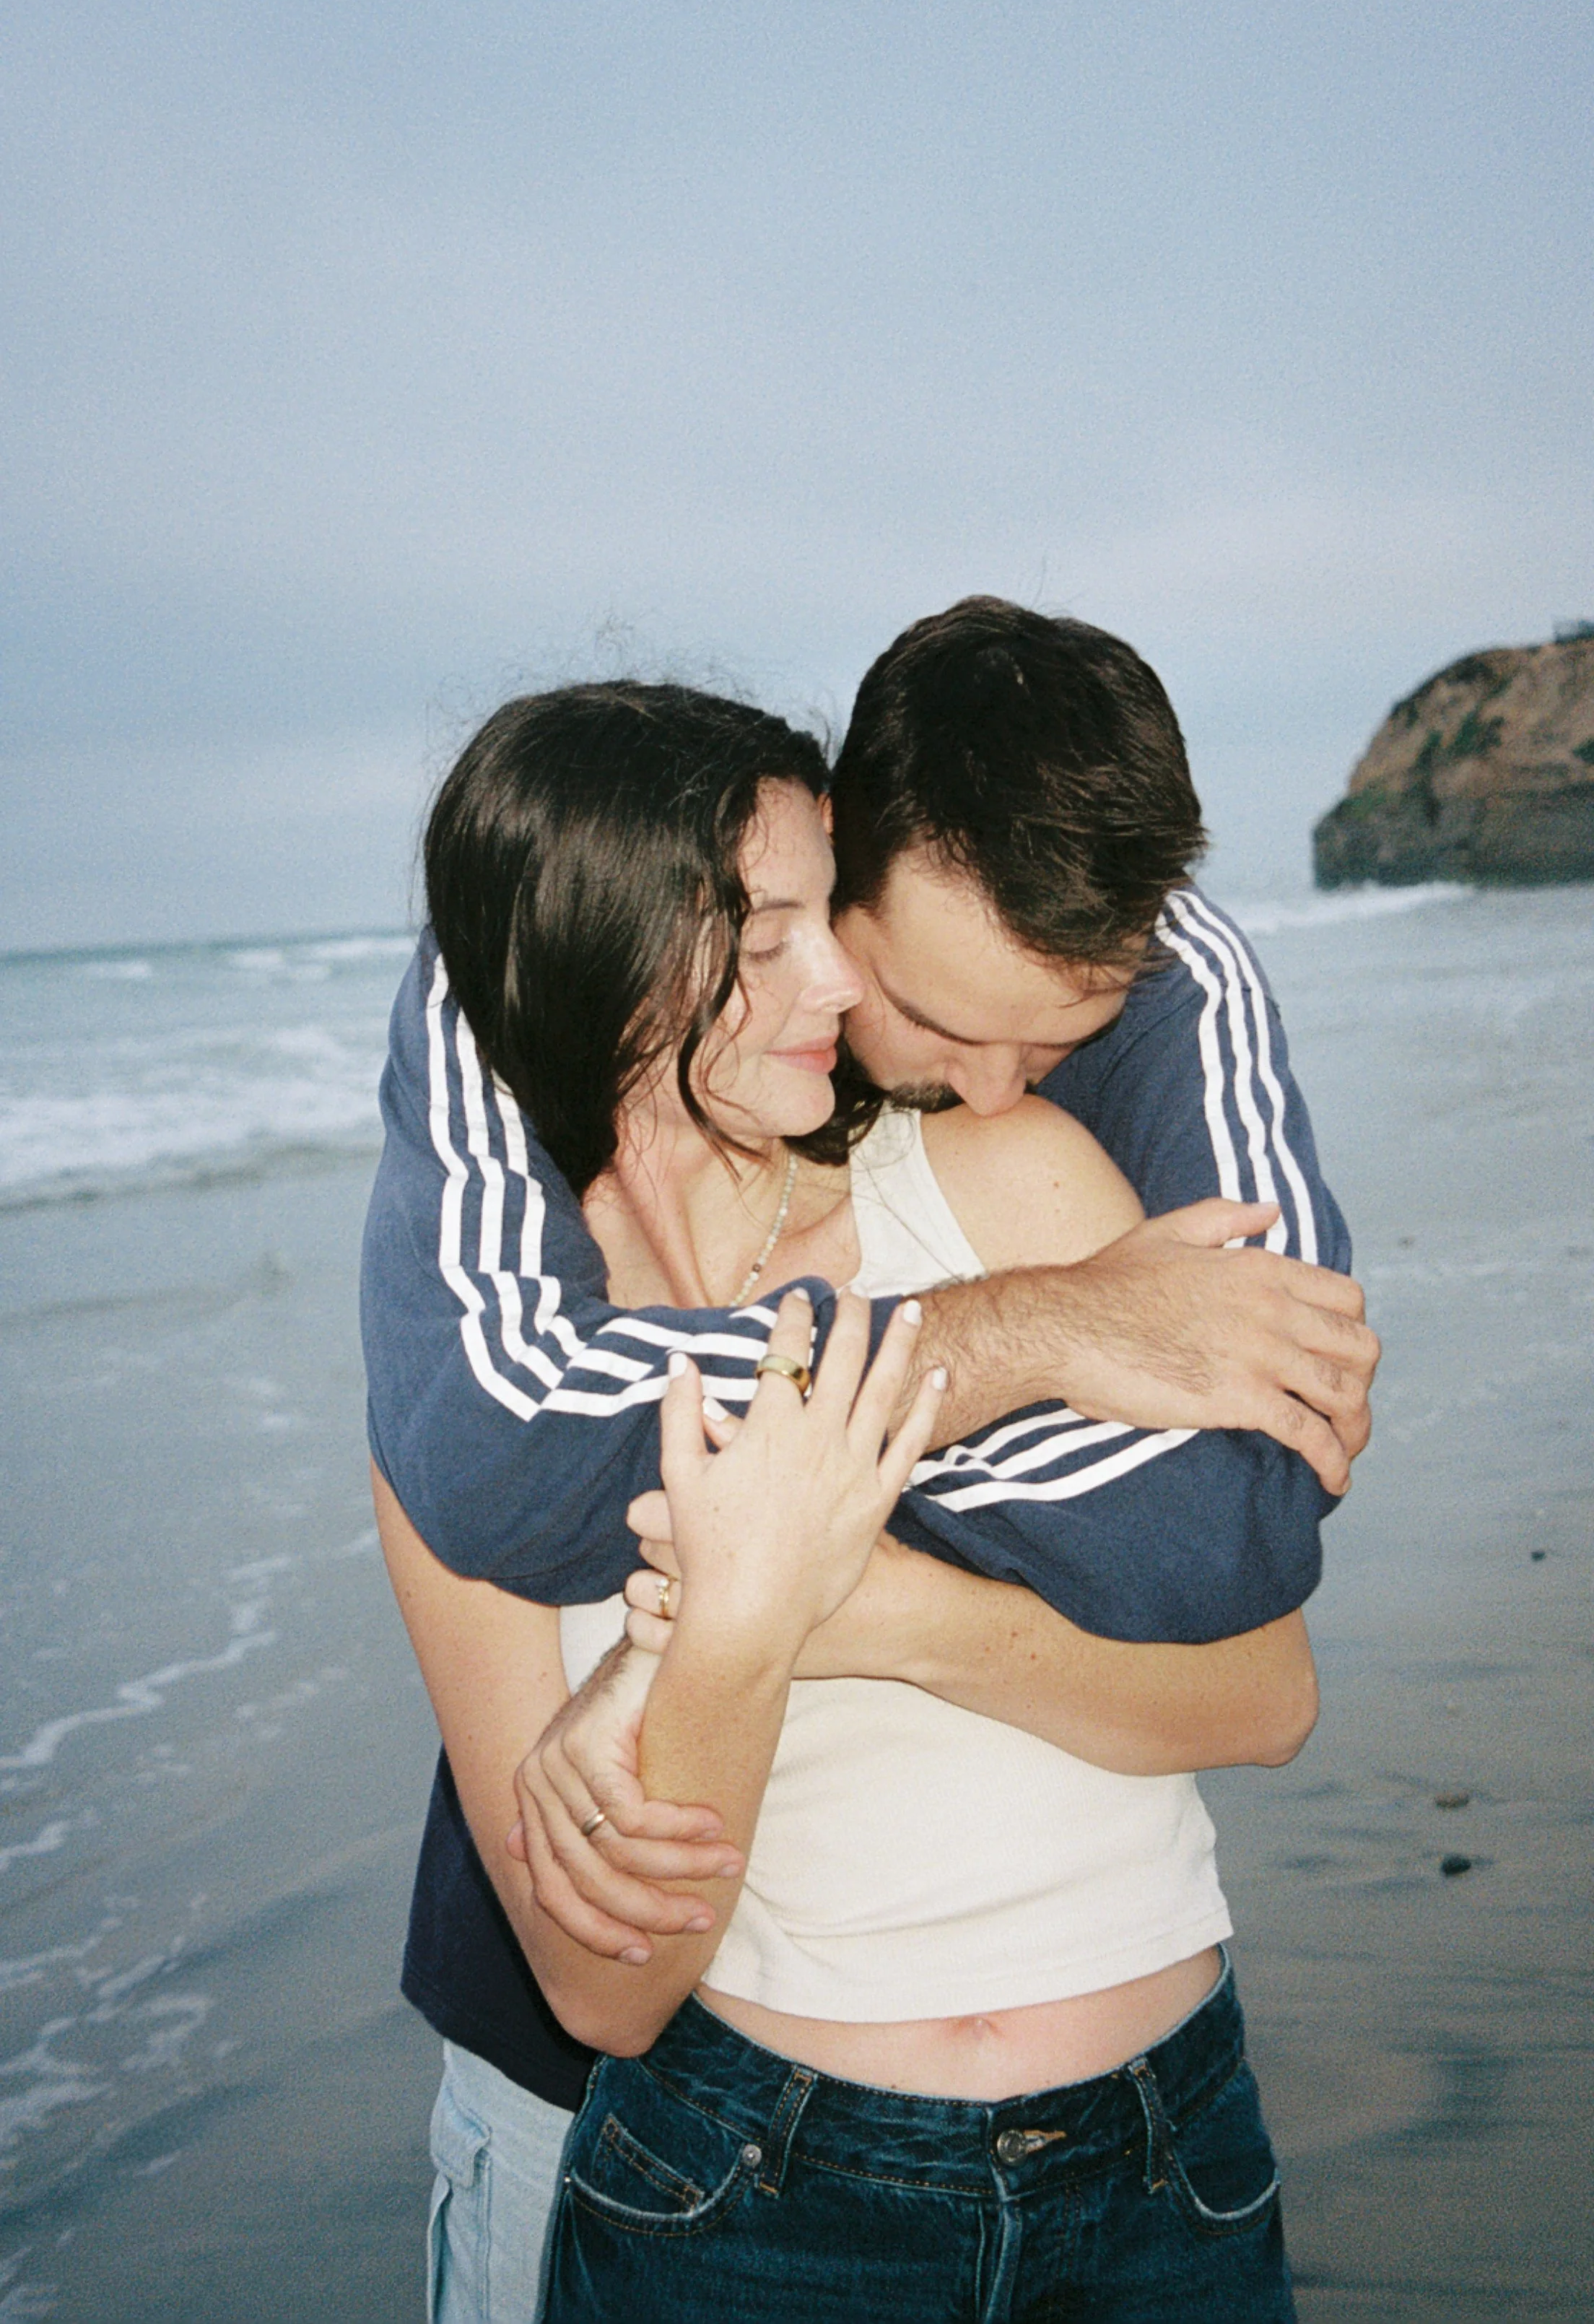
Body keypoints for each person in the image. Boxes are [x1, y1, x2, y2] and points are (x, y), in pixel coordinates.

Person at [360, 606, 1375, 2306]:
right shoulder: (476, 1380)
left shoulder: (1004, 1173)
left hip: (1159, 2151)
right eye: (773, 937)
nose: (829, 979)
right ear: (622, 953)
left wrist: (835, 1587)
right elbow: (605, 1989)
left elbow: (1266, 1688)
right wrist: (751, 1608)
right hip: (754, 2175)